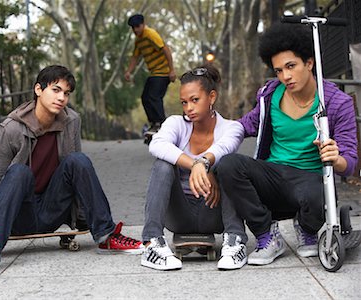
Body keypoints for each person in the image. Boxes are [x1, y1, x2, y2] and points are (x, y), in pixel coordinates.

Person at [0, 65, 143, 277]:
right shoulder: (10, 128)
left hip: (53, 210)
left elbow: (77, 174)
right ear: (38, 89)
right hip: (20, 214)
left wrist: (83, 219)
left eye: (66, 93)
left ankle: (107, 236)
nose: (62, 97)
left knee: (78, 160)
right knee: (19, 172)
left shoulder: (71, 121)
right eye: (55, 90)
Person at [216, 23, 358, 270]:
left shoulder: (337, 103)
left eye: (291, 66)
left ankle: (307, 228)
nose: (285, 77)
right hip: (272, 176)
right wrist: (204, 153)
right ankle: (266, 236)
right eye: (279, 70)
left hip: (309, 180)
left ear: (309, 63)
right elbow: (242, 126)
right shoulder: (270, 96)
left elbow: (350, 163)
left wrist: (336, 158)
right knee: (228, 164)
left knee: (318, 194)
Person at [140, 63, 244, 270]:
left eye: (195, 100)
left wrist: (208, 165)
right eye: (184, 102)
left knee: (230, 164)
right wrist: (196, 164)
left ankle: (235, 241)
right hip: (179, 214)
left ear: (212, 97)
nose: (189, 108)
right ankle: (151, 243)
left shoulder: (232, 128)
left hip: (213, 213)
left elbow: (224, 148)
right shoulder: (177, 123)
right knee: (163, 164)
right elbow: (157, 144)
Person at [125, 13, 176, 134]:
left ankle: (162, 123)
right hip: (154, 73)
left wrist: (172, 70)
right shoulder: (139, 40)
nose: (136, 30)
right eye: (133, 28)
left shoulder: (150, 34)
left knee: (154, 97)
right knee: (145, 97)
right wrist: (129, 71)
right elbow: (135, 57)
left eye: (137, 26)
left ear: (143, 24)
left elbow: (166, 49)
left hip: (163, 72)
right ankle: (154, 123)